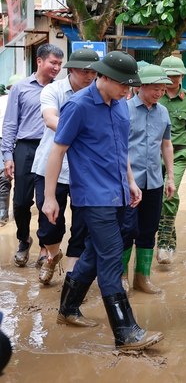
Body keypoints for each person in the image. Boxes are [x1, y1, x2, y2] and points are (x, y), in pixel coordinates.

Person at [42, 50, 163, 351]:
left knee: (94, 255)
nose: (127, 90)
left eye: (130, 85)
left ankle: (67, 310)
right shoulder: (78, 106)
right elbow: (57, 151)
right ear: (104, 77)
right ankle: (126, 332)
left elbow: (121, 150)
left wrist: (132, 183)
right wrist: (48, 198)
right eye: (122, 84)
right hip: (93, 197)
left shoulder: (120, 105)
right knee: (110, 258)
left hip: (119, 193)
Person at [32, 49, 99, 285]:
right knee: (49, 225)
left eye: (93, 71)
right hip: (51, 169)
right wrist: (83, 131)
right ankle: (52, 253)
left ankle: (72, 277)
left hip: (85, 172)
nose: (90, 76)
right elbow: (50, 119)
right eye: (84, 71)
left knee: (82, 226)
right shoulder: (54, 90)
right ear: (71, 70)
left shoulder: (99, 95)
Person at [3, 44, 64, 268]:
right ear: (39, 61)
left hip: (51, 148)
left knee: (46, 199)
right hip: (26, 148)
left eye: (59, 64)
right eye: (53, 63)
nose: (57, 68)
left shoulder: (61, 90)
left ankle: (44, 247)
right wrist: (7, 155)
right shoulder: (20, 88)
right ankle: (24, 239)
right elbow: (10, 123)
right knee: (20, 202)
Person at [121, 64, 176, 294]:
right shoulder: (123, 109)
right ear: (140, 86)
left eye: (163, 89)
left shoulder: (162, 112)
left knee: (148, 229)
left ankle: (142, 278)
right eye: (156, 88)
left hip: (154, 181)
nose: (160, 93)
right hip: (127, 182)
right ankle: (120, 277)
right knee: (126, 229)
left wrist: (170, 177)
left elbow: (166, 144)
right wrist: (128, 180)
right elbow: (120, 148)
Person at [156, 55, 186, 264]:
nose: (172, 79)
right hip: (152, 155)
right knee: (155, 196)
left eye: (176, 76)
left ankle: (163, 242)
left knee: (170, 192)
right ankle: (170, 237)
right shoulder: (153, 96)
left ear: (182, 76)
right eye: (168, 76)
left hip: (178, 154)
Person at [0, 74, 24, 226]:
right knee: (4, 177)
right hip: (4, 141)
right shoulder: (4, 101)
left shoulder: (24, 101)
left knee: (16, 178)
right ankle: (4, 212)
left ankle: (14, 211)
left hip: (21, 142)